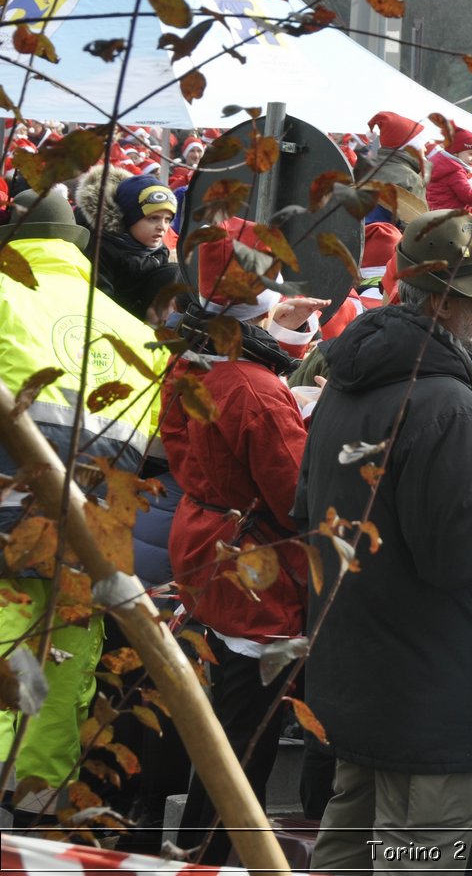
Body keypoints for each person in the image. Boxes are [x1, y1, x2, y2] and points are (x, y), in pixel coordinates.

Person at [296, 209, 472, 873]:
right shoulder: (445, 406)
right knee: (418, 850)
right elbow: (468, 550)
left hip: (358, 668)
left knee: (349, 835)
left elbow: (305, 505)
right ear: (446, 302)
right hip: (427, 688)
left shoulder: (350, 378)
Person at [163, 224, 328, 864]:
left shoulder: (194, 359)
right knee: (246, 739)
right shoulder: (255, 393)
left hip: (210, 549)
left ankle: (197, 845)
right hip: (256, 577)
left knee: (227, 723)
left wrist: (279, 331)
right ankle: (206, 854)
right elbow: (296, 500)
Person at [0, 187, 161, 822]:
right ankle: (33, 828)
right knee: (58, 686)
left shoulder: (6, 296)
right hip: (90, 543)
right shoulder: (136, 333)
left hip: (7, 530)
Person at [76, 166, 180, 321]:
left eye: (167, 220)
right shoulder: (100, 248)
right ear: (129, 218)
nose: (162, 227)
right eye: (153, 218)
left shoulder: (159, 250)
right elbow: (101, 303)